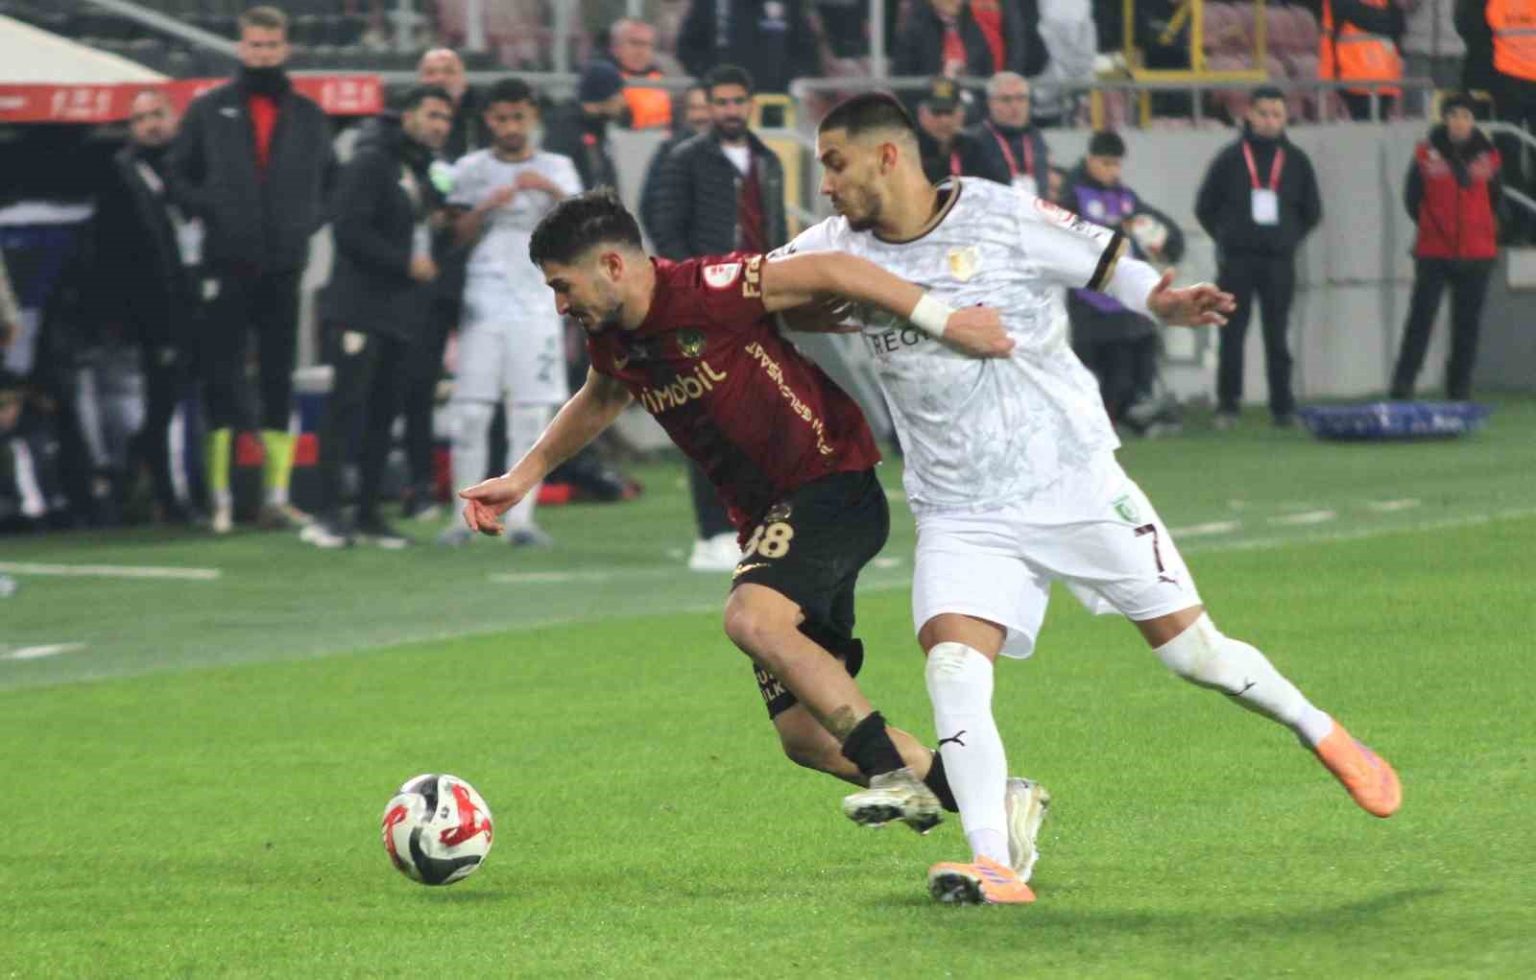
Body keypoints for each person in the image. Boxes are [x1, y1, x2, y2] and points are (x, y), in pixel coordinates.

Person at [781, 93, 1399, 906]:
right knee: (953, 666)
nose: (825, 185)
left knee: (1195, 655)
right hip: (961, 507)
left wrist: (1159, 300)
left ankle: (1320, 730)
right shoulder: (832, 246)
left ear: (888, 157)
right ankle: (994, 862)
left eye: (835, 164)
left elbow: (1104, 258)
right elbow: (757, 287)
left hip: (1072, 480)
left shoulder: (999, 214)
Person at [459, 189, 1052, 878]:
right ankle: (995, 797)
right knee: (806, 737)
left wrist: (944, 321)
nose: (561, 304)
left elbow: (833, 269)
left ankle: (891, 773)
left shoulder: (709, 289)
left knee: (750, 617)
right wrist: (523, 476)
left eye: (563, 286)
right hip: (771, 521)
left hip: (830, 485)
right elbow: (604, 393)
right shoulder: (612, 336)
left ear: (613, 265)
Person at [170, 5, 337, 534]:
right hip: (225, 262)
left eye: (270, 45)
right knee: (220, 375)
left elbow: (331, 183)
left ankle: (275, 497)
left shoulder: (308, 115)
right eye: (254, 45)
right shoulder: (208, 109)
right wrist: (214, 210)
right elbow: (177, 175)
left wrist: (303, 223)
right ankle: (220, 500)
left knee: (278, 377)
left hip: (284, 265)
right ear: (240, 48)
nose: (262, 54)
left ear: (285, 48)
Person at [649, 65, 791, 572]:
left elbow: (774, 231)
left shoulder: (768, 160)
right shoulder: (684, 159)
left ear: (750, 103)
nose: (730, 110)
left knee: (761, 418)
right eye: (722, 102)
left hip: (757, 303)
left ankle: (756, 523)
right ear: (708, 106)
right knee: (707, 418)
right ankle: (711, 532)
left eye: (737, 101)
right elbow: (665, 228)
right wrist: (694, 289)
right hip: (702, 308)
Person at [301, 87, 454, 549]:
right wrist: (403, 262)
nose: (440, 125)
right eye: (432, 115)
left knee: (384, 413)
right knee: (345, 407)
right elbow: (348, 229)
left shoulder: (418, 169)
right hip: (358, 308)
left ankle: (368, 514)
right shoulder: (371, 162)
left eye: (446, 118)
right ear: (407, 116)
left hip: (398, 311)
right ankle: (326, 513)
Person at [435, 78, 583, 549]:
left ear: (533, 117)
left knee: (531, 413)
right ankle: (462, 519)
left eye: (518, 117)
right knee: (471, 412)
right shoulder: (470, 169)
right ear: (488, 121)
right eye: (501, 118)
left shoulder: (558, 167)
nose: (510, 127)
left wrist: (552, 192)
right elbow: (453, 235)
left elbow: (584, 230)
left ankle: (521, 522)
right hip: (483, 300)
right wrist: (484, 207)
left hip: (539, 299)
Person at [92, 89, 206, 525]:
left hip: (200, 299)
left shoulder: (191, 167)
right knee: (164, 403)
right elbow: (116, 252)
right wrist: (134, 316)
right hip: (157, 309)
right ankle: (164, 495)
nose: (151, 125)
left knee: (199, 399)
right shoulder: (122, 173)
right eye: (140, 119)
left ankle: (201, 490)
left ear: (174, 117)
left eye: (157, 115)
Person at [1195, 87, 1323, 429]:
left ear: (1285, 118)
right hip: (1237, 261)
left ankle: (1282, 406)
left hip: (1279, 262)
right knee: (1231, 334)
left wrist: (1287, 239)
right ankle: (1228, 405)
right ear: (1249, 115)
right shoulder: (1229, 159)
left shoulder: (1296, 161)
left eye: (1276, 114)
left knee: (1277, 335)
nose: (1269, 121)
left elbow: (1312, 211)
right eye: (1263, 113)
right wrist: (1227, 237)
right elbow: (1205, 207)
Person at [1063, 130, 1186, 432]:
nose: (1112, 171)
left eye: (1116, 164)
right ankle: (1096, 425)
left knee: (1137, 361)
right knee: (1098, 371)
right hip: (1089, 299)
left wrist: (1168, 243)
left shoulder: (1127, 198)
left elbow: (1164, 229)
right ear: (1090, 160)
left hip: (1125, 300)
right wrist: (1116, 229)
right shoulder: (1072, 196)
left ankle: (1132, 416)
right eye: (1105, 163)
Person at [1390, 93, 1502, 401]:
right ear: (1445, 119)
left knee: (1466, 326)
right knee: (1420, 320)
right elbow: (1412, 198)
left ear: (1473, 121)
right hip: (1434, 251)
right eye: (1453, 115)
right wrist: (1432, 225)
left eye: (1465, 116)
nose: (1459, 122)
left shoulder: (1489, 157)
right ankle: (1403, 383)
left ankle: (1459, 388)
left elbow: (1495, 199)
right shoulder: (1426, 154)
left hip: (1477, 252)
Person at [1461, 0, 1536, 244]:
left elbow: (1474, 30)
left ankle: (1519, 224)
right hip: (1509, 80)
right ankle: (1522, 224)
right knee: (1511, 155)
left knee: (1509, 155)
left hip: (1506, 80)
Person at [676, 0, 821, 94]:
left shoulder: (788, 4)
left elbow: (807, 49)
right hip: (726, 103)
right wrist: (712, 77)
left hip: (774, 102)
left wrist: (787, 78)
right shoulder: (712, 4)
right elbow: (687, 48)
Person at [894, 0, 1049, 83]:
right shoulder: (915, 29)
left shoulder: (972, 28)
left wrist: (1009, 79)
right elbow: (905, 75)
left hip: (988, 87)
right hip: (933, 104)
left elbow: (1016, 39)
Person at [639, 83, 711, 244]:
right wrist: (670, 249)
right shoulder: (669, 151)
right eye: (694, 108)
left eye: (705, 108)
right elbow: (649, 206)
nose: (700, 115)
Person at [964, 73, 1051, 196]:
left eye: (1021, 98)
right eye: (1006, 99)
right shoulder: (974, 141)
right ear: (991, 103)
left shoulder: (1035, 136)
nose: (1015, 106)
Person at [1320, 0, 1406, 120]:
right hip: (1377, 81)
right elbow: (1398, 27)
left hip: (1360, 81)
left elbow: (1328, 41)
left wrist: (1327, 83)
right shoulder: (1388, 6)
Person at [592, 17, 672, 131]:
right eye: (634, 43)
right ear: (615, 47)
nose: (641, 51)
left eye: (647, 44)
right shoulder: (602, 80)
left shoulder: (663, 78)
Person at [914, 77, 972, 184]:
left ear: (962, 114)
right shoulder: (909, 152)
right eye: (937, 112)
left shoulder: (974, 150)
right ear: (921, 114)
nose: (944, 121)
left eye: (950, 112)